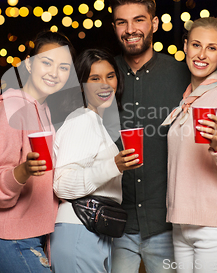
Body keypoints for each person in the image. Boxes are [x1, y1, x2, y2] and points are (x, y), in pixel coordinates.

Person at [0, 31, 76, 272]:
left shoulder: (43, 110)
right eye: (47, 62)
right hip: (8, 238)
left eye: (63, 67)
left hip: (33, 236)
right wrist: (23, 171)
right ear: (30, 64)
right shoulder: (13, 107)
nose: (54, 73)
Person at [110, 0, 190, 273]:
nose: (131, 30)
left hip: (166, 225)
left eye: (139, 20)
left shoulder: (183, 74)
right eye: (122, 22)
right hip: (115, 226)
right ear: (114, 27)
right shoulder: (101, 76)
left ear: (154, 24)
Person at [162, 17, 217, 272]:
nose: (201, 54)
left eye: (212, 48)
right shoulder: (186, 101)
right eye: (196, 45)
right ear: (185, 46)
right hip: (181, 226)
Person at [50, 49, 141, 272]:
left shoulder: (96, 122)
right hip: (79, 230)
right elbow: (62, 184)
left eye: (110, 76)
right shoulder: (82, 119)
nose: (105, 84)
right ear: (82, 85)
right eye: (94, 78)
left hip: (93, 230)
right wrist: (114, 165)